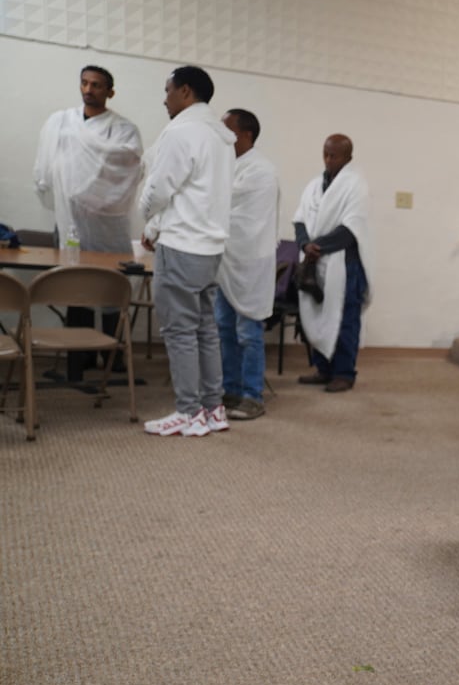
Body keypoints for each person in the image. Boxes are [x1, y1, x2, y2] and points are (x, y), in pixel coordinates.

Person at [139, 66, 236, 438]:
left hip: (181, 246)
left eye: (167, 91)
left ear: (185, 91)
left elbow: (161, 188)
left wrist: (146, 215)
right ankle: (213, 408)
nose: (164, 99)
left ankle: (188, 412)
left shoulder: (182, 131)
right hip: (210, 248)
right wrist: (156, 226)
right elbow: (194, 193)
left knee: (179, 331)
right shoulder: (221, 136)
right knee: (204, 329)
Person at [33, 65, 144, 253]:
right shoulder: (61, 122)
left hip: (104, 223)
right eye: (84, 83)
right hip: (67, 215)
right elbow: (48, 165)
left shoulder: (124, 129)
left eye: (96, 85)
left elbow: (129, 170)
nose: (88, 90)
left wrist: (89, 191)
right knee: (65, 275)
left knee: (104, 276)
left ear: (111, 92)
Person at [214, 108, 279, 421]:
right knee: (224, 328)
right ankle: (231, 389)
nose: (222, 136)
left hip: (251, 261)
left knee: (248, 332)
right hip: (226, 262)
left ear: (246, 135)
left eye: (228, 130)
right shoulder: (227, 166)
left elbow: (243, 215)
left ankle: (252, 396)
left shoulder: (262, 171)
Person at [293, 134, 370, 392]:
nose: (328, 159)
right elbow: (300, 219)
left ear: (348, 157)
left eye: (334, 155)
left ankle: (344, 373)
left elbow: (352, 227)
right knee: (317, 317)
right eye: (325, 153)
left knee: (344, 318)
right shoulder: (315, 184)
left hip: (343, 263)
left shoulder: (356, 184)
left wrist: (319, 246)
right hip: (314, 262)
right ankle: (323, 369)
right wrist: (306, 244)